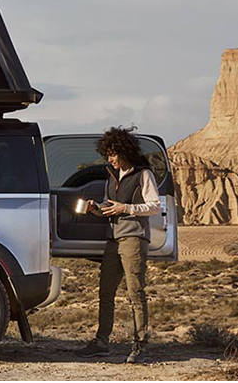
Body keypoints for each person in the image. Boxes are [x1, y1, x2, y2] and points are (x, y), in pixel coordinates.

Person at [74, 126, 161, 364]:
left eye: (112, 154)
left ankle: (140, 344)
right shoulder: (110, 179)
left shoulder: (143, 174)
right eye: (107, 154)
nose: (109, 158)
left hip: (134, 239)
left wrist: (128, 208)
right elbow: (109, 208)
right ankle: (101, 342)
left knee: (136, 292)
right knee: (105, 292)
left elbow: (155, 206)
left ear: (124, 151)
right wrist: (96, 208)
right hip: (113, 239)